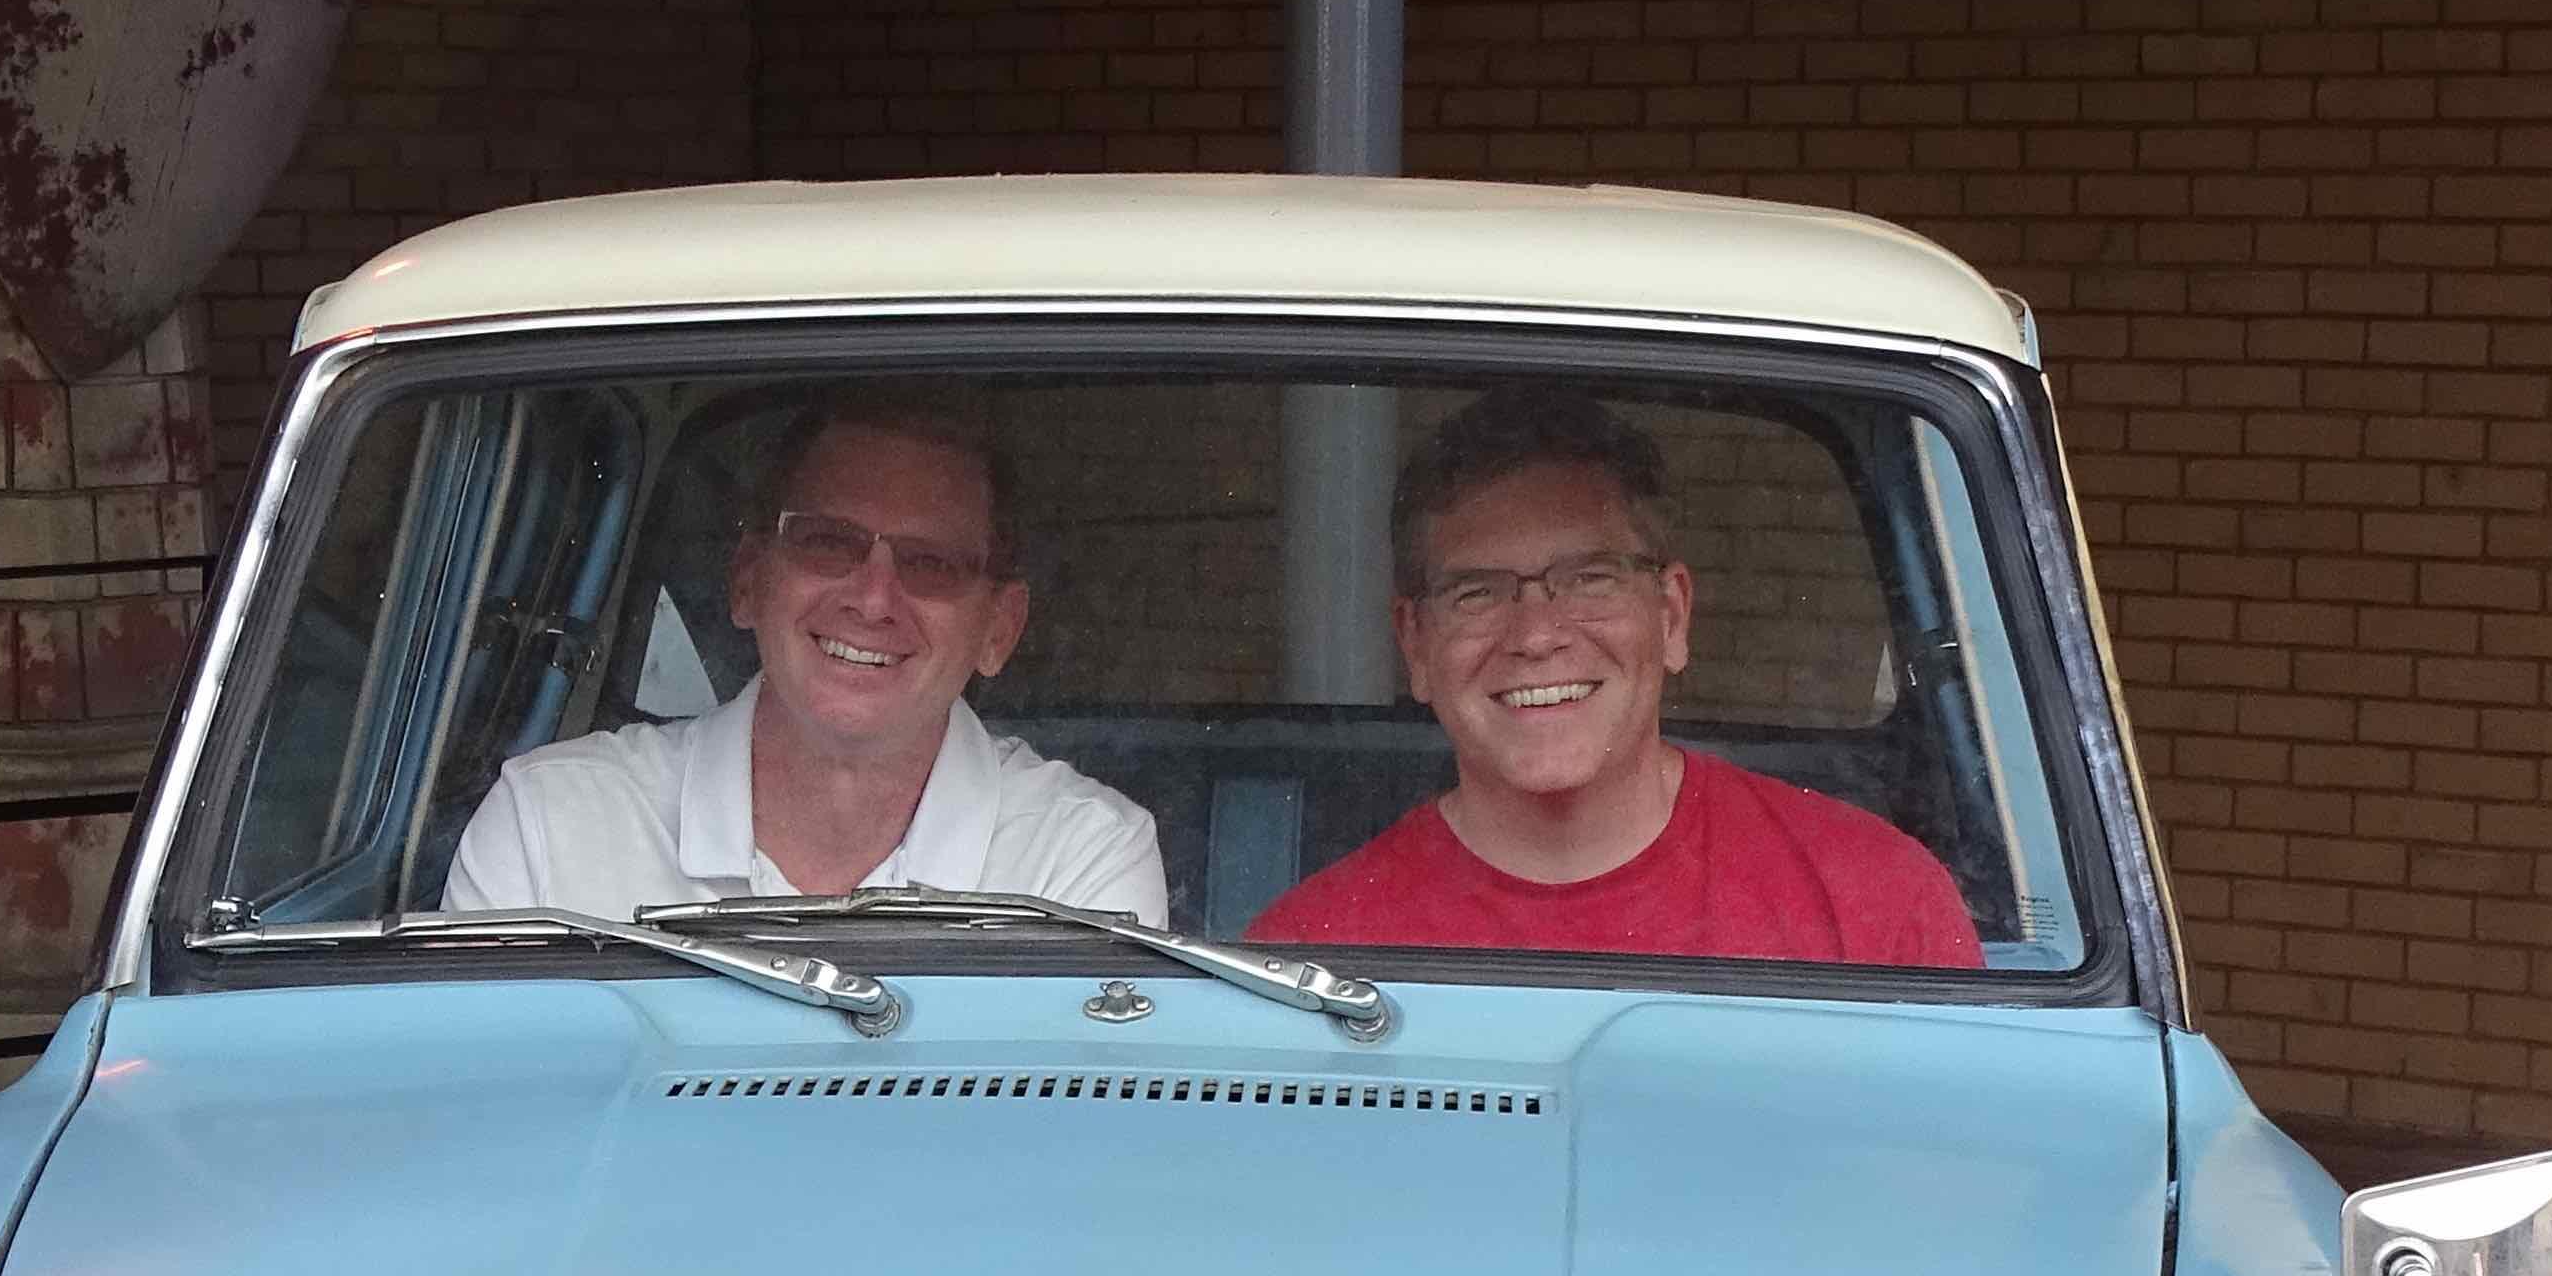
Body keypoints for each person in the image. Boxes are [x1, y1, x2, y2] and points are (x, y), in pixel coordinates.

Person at [1248, 387, 1983, 968]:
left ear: (1671, 615)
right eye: (1476, 593)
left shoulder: (1878, 905)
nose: (1536, 635)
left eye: (1590, 579)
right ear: (1415, 643)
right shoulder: (1308, 949)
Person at [444, 396, 1166, 926]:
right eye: (827, 542)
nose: (873, 599)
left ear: (998, 631)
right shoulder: (550, 823)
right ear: (748, 579)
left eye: (930, 563)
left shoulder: (1080, 860)